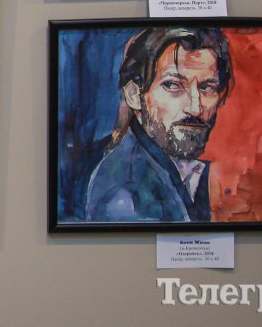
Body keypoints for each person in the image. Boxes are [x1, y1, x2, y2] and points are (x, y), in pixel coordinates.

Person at [85, 27, 233, 222]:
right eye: (173, 85)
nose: (195, 108)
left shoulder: (184, 170)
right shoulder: (126, 197)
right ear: (134, 95)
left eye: (207, 87)